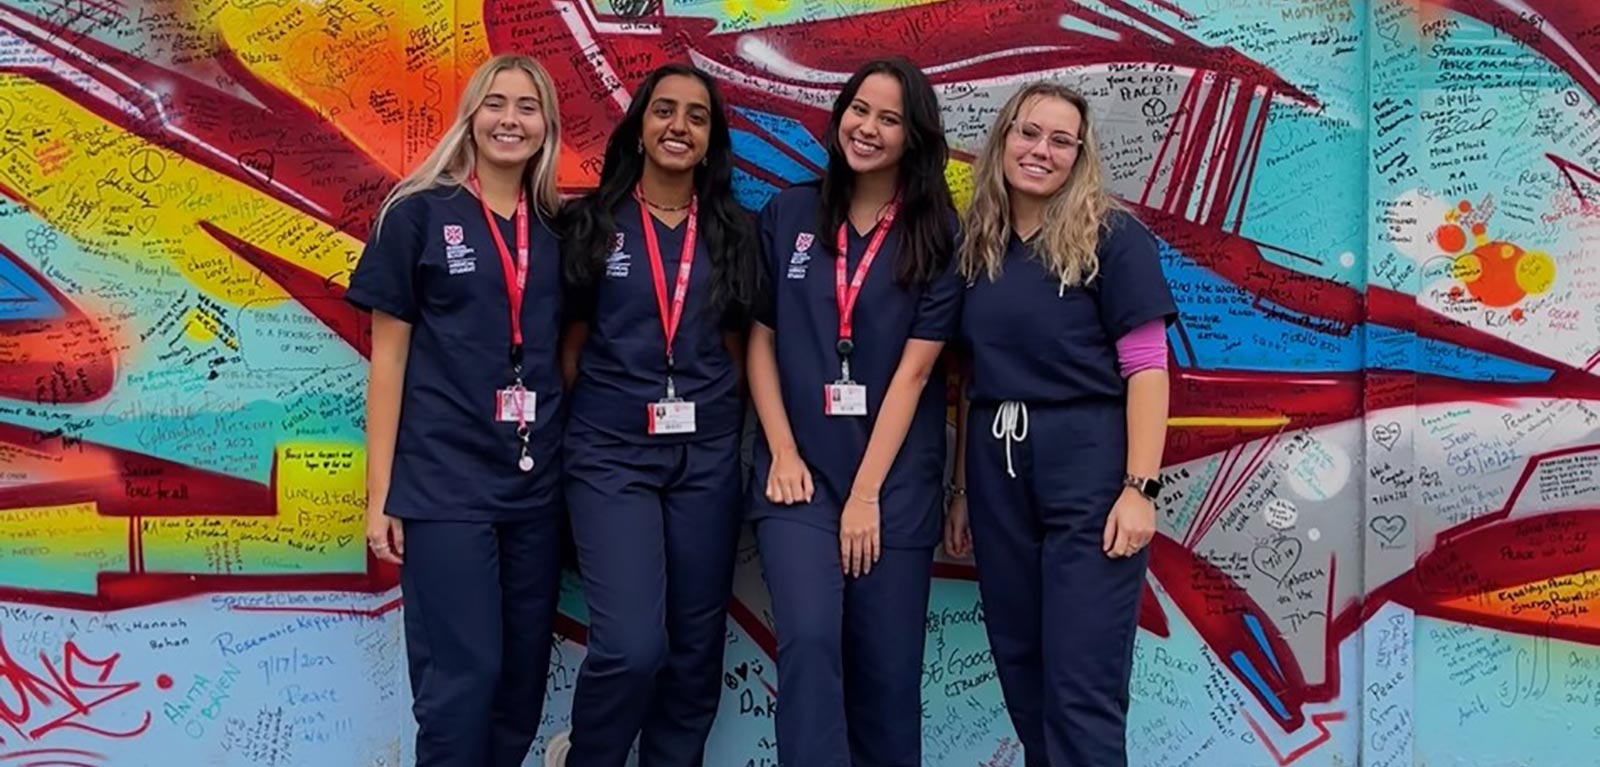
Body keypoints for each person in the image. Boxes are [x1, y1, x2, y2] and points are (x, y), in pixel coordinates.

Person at [944, 81, 1176, 767]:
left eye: (1060, 140)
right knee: (1024, 672)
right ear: (1003, 139)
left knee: (1081, 684)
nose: (1040, 150)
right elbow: (972, 378)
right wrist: (962, 491)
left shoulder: (1113, 237)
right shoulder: (977, 244)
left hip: (1087, 470)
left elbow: (1148, 367)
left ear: (1079, 155)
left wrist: (1140, 488)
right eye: (1028, 132)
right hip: (997, 470)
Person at [347, 54, 567, 767]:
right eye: (495, 103)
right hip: (445, 488)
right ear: (471, 117)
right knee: (460, 684)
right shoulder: (416, 214)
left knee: (520, 689)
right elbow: (388, 362)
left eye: (527, 107)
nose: (510, 119)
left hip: (534, 491)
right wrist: (382, 494)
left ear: (546, 126)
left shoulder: (558, 229)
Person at [746, 57, 960, 767]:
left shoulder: (937, 232)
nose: (868, 128)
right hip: (799, 480)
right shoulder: (789, 213)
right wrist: (782, 451)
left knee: (887, 674)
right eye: (859, 110)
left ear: (913, 136)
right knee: (809, 641)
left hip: (892, 486)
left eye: (889, 119)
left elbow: (917, 371)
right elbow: (760, 340)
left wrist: (867, 494)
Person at [545, 63, 754, 767]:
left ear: (711, 138)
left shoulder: (733, 232)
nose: (679, 126)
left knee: (694, 653)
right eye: (664, 110)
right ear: (639, 126)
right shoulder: (591, 224)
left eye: (697, 116)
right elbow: (570, 348)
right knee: (632, 645)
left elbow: (736, 349)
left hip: (706, 459)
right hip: (611, 455)